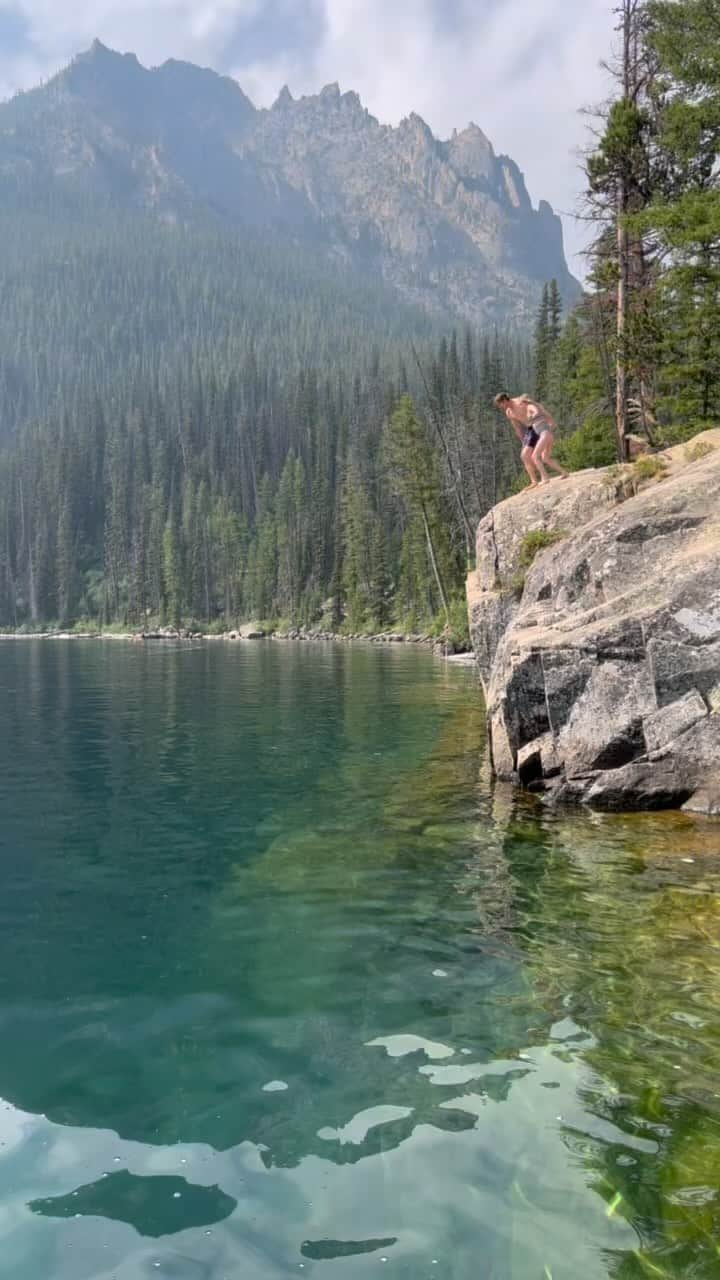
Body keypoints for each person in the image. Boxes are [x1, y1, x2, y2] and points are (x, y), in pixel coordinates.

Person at [493, 392, 568, 485]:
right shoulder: (509, 412)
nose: (500, 406)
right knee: (525, 456)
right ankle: (534, 481)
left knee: (537, 456)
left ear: (504, 400)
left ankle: (543, 476)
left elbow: (538, 408)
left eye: (500, 404)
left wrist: (550, 420)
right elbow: (517, 427)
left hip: (537, 425)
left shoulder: (520, 402)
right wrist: (522, 440)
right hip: (530, 429)